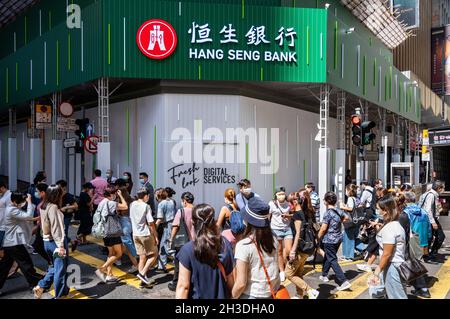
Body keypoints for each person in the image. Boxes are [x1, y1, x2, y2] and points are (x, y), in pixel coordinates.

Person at [176, 204, 234, 299]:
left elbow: (183, 287)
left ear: (192, 222)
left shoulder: (187, 250)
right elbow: (230, 279)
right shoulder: (224, 244)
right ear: (214, 221)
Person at [232, 194, 279, 299]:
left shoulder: (243, 246)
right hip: (272, 292)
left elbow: (241, 283)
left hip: (252, 294)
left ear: (248, 221)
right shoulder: (274, 239)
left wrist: (233, 297)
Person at [0, 193, 42, 296]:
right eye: (21, 202)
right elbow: (27, 215)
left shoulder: (11, 208)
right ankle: (35, 283)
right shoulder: (12, 209)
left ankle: (35, 281)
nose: (22, 204)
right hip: (13, 243)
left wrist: (35, 219)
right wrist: (29, 201)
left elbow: (23, 217)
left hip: (9, 243)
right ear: (15, 201)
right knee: (25, 262)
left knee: (4, 267)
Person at [33, 185, 69, 299]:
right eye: (61, 192)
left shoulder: (44, 205)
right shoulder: (53, 207)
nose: (63, 193)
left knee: (55, 267)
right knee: (60, 270)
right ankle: (59, 296)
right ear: (57, 195)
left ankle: (41, 286)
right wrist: (61, 246)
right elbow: (56, 229)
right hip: (55, 242)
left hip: (47, 242)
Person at [368, 195, 407, 299]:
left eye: (378, 209)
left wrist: (377, 271)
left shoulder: (390, 228)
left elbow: (387, 254)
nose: (377, 211)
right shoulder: (395, 225)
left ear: (385, 211)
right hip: (395, 264)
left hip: (392, 266)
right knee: (380, 292)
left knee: (397, 296)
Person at [285, 191, 319, 299]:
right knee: (298, 273)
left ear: (295, 202)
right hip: (308, 248)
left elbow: (298, 234)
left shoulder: (297, 215)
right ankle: (299, 294)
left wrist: (293, 251)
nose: (289, 205)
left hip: (300, 249)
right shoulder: (307, 212)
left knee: (288, 274)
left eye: (289, 203)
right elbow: (315, 227)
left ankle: (309, 290)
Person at [318, 191, 352, 291]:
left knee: (332, 259)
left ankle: (343, 281)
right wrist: (339, 221)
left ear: (326, 202)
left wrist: (318, 237)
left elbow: (323, 228)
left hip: (329, 240)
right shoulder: (338, 211)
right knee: (329, 257)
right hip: (338, 238)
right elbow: (347, 218)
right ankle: (324, 274)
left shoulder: (327, 213)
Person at [400, 192, 432, 298]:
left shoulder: (405, 213)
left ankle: (423, 289)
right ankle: (417, 286)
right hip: (422, 241)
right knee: (415, 263)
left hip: (411, 241)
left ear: (405, 200)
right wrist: (427, 240)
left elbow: (403, 230)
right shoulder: (423, 211)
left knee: (413, 264)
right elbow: (428, 229)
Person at [94, 188, 128, 283]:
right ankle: (102, 269)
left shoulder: (102, 202)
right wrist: (121, 195)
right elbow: (125, 206)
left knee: (111, 253)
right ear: (112, 194)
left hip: (105, 232)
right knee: (119, 253)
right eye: (115, 194)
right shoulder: (111, 203)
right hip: (113, 232)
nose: (115, 196)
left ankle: (109, 275)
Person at [130, 189, 159, 287]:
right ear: (145, 196)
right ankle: (142, 274)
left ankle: (143, 280)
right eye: (148, 196)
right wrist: (155, 236)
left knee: (142, 257)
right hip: (145, 234)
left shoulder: (132, 204)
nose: (149, 197)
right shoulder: (146, 206)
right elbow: (151, 223)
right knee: (154, 254)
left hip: (135, 234)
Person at [168, 192, 195, 291]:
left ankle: (176, 283)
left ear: (184, 201)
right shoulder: (197, 210)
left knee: (179, 263)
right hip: (196, 242)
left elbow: (175, 227)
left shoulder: (181, 211)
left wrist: (171, 239)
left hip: (183, 243)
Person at [269, 186, 293, 283]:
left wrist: (288, 216)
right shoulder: (271, 204)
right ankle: (282, 271)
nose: (281, 196)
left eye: (283, 194)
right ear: (276, 195)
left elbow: (293, 214)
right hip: (276, 229)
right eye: (279, 194)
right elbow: (268, 216)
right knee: (279, 251)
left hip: (287, 229)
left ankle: (288, 269)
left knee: (288, 250)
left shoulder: (289, 203)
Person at [420, 180, 446, 262]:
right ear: (439, 188)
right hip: (429, 219)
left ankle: (429, 254)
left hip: (429, 219)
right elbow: (428, 210)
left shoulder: (431, 194)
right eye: (443, 188)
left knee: (431, 237)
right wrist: (433, 222)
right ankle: (428, 255)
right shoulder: (431, 195)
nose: (443, 190)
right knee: (437, 236)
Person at [116, 186, 138, 272]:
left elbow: (120, 211)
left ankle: (135, 255)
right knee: (126, 241)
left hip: (124, 220)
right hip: (132, 220)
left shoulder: (121, 201)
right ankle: (121, 258)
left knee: (126, 240)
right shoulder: (132, 199)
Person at [155, 188, 176, 272]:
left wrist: (154, 228)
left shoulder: (161, 204)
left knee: (167, 248)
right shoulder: (171, 201)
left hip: (167, 225)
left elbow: (159, 218)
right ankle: (161, 266)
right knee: (164, 245)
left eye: (156, 194)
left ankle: (181, 261)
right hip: (172, 224)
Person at [31, 183, 52, 266]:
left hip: (45, 229)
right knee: (39, 246)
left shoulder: (47, 203)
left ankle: (52, 262)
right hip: (41, 228)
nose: (36, 193)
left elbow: (43, 217)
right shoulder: (43, 202)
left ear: (43, 192)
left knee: (39, 246)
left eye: (37, 191)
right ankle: (51, 262)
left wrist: (30, 219)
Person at [340, 184, 361, 261]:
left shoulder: (350, 198)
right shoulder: (355, 198)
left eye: (346, 189)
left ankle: (348, 256)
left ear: (349, 190)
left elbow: (351, 208)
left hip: (349, 221)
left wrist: (342, 206)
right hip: (355, 220)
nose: (345, 191)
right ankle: (361, 250)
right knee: (351, 237)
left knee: (348, 238)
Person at [56, 180, 79, 252]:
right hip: (58, 216)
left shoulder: (68, 196)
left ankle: (65, 251)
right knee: (61, 232)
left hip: (66, 216)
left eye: (59, 187)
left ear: (64, 188)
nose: (57, 189)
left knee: (64, 232)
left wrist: (66, 208)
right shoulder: (57, 195)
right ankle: (72, 242)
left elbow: (75, 206)